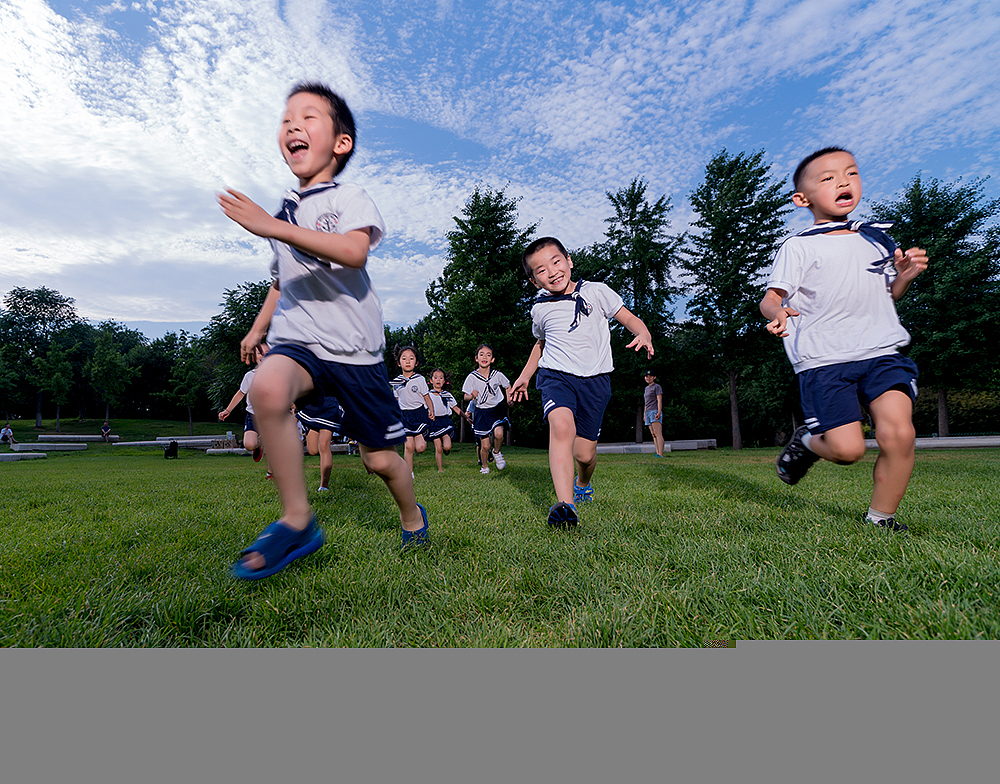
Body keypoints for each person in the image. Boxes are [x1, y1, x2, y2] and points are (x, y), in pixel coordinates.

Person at [217, 80, 429, 580]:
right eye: (287, 117)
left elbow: (354, 251)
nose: (293, 124)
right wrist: (256, 330)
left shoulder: (349, 197)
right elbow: (280, 283)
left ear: (341, 143)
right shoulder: (284, 214)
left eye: (309, 116)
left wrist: (275, 228)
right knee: (268, 389)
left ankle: (411, 514)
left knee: (381, 461)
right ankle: (298, 519)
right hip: (300, 340)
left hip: (356, 351)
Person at [760, 146, 929, 533]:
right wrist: (778, 313)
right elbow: (771, 298)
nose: (843, 182)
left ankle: (881, 518)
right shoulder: (800, 246)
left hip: (882, 352)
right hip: (824, 359)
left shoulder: (875, 240)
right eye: (828, 177)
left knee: (899, 433)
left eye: (851, 173)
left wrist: (903, 276)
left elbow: (885, 296)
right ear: (802, 199)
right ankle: (808, 442)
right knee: (847, 449)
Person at [511, 237, 655, 528]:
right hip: (556, 377)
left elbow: (629, 318)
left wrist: (644, 333)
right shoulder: (539, 310)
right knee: (561, 426)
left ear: (569, 261)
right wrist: (525, 377)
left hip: (595, 381)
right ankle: (566, 506)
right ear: (534, 281)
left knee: (585, 454)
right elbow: (540, 345)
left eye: (556, 261)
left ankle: (582, 482)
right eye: (541, 270)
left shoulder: (597, 292)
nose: (551, 271)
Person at [462, 344, 511, 474]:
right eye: (481, 354)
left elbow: (507, 385)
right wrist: (472, 395)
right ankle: (484, 466)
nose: (485, 357)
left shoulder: (497, 375)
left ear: (492, 359)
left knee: (499, 433)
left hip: (495, 409)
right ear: (476, 358)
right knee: (485, 445)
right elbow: (466, 397)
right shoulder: (471, 377)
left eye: (488, 355)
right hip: (481, 412)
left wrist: (509, 399)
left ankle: (497, 452)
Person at [219, 366, 272, 478]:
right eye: (259, 353)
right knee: (249, 445)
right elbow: (240, 393)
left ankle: (271, 472)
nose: (262, 356)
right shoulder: (250, 375)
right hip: (253, 415)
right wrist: (228, 410)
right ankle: (259, 444)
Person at [390, 346, 435, 476]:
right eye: (404, 359)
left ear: (416, 362)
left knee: (420, 448)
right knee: (408, 446)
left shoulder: (419, 379)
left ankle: (418, 444)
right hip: (404, 415)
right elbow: (396, 400)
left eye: (411, 358)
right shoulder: (396, 382)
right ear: (399, 363)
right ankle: (409, 473)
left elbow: (427, 397)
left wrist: (431, 411)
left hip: (419, 414)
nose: (408, 361)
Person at [295, 394, 344, 491]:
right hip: (312, 403)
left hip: (330, 403)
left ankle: (324, 486)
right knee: (312, 450)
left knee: (324, 445)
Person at [426, 367, 470, 473]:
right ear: (431, 380)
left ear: (444, 381)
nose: (438, 380)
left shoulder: (447, 395)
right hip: (433, 423)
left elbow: (456, 408)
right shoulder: (427, 395)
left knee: (447, 446)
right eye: (435, 378)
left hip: (445, 422)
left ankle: (446, 449)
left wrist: (466, 417)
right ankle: (440, 469)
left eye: (441, 378)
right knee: (438, 448)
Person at [642, 371, 665, 457]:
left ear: (654, 377)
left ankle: (661, 454)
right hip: (648, 412)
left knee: (658, 432)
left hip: (654, 411)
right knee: (653, 434)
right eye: (646, 376)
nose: (648, 378)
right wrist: (644, 413)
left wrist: (659, 412)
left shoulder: (657, 387)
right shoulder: (646, 388)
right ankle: (657, 452)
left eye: (650, 376)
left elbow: (659, 400)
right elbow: (646, 402)